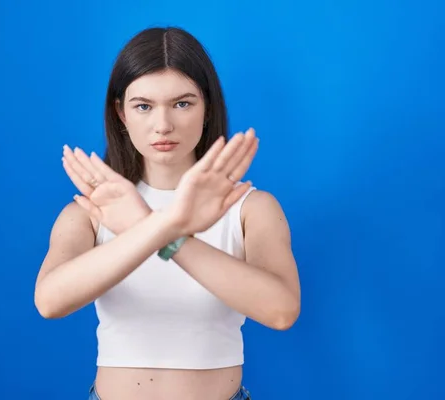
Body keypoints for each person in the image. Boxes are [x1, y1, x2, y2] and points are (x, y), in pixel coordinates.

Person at [34, 26, 301, 400]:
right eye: (143, 106)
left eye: (182, 103)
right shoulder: (93, 211)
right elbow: (50, 301)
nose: (163, 125)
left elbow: (280, 311)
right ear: (121, 113)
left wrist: (161, 231)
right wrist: (161, 225)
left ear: (207, 107)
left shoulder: (249, 207)